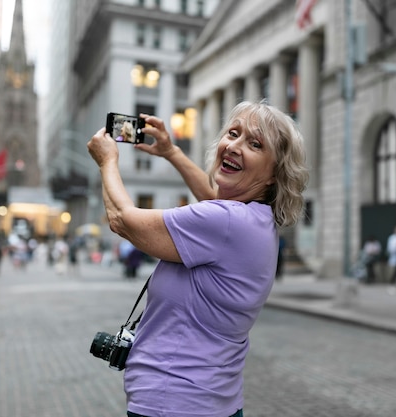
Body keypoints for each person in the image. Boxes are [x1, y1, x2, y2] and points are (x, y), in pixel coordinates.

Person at [87, 100, 309, 417]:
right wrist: (171, 152)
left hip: (174, 404)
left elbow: (122, 219)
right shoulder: (255, 218)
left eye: (255, 143)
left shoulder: (227, 221)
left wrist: (107, 162)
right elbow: (213, 198)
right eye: (233, 133)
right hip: (212, 402)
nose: (234, 145)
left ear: (275, 173)